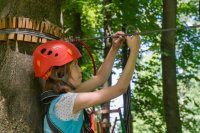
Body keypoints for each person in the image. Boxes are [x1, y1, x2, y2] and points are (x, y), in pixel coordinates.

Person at [33, 31, 140, 133]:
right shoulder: (66, 102)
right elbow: (120, 88)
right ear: (59, 74)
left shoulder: (64, 97)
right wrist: (134, 50)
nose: (80, 70)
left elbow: (100, 78)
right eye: (75, 65)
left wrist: (114, 48)